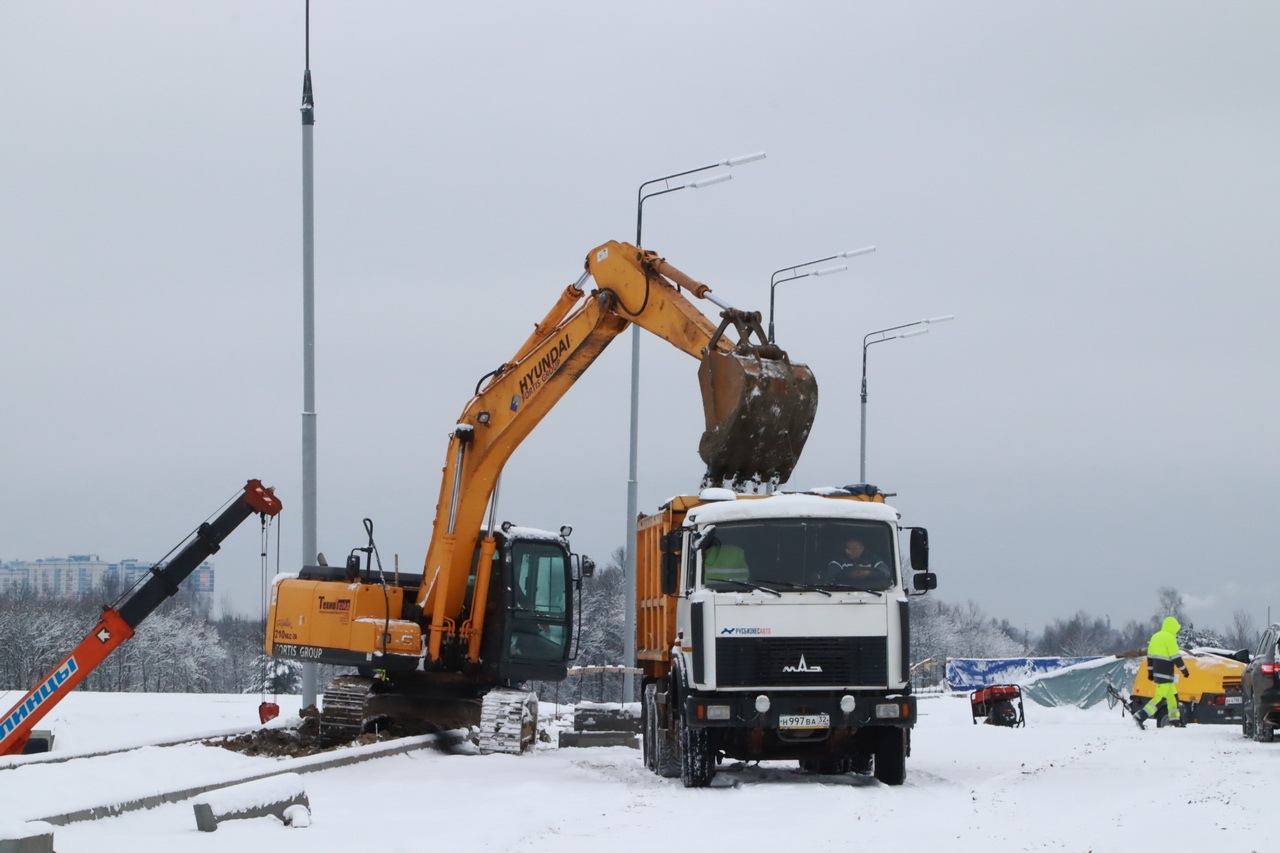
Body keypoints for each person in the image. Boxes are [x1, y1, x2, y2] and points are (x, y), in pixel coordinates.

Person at [1133, 616, 1190, 729]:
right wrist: (1184, 670)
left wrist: (1150, 673)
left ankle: (1175, 721)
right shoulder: (1169, 638)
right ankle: (1141, 716)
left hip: (1158, 673)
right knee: (1159, 698)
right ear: (1172, 628)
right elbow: (1176, 657)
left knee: (1172, 696)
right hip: (1166, 673)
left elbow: (1150, 657)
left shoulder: (1155, 637)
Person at [825, 534, 892, 589]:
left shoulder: (872, 558)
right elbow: (832, 575)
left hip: (871, 592)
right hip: (841, 592)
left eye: (854, 549)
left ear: (862, 548)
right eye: (848, 548)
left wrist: (868, 573)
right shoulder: (838, 559)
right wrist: (850, 575)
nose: (850, 552)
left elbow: (886, 572)